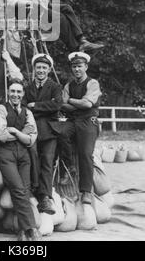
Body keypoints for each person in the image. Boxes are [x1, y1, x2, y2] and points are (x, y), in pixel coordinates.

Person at [0, 79, 41, 241]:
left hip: (23, 154)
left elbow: (31, 140)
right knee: (19, 189)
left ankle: (21, 231)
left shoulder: (28, 112)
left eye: (18, 92)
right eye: (12, 91)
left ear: (23, 94)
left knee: (25, 190)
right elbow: (0, 135)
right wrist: (23, 134)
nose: (15, 95)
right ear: (8, 93)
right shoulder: (1, 109)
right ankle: (31, 229)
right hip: (4, 153)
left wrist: (13, 131)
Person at [24, 53, 64, 214]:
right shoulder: (28, 87)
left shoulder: (55, 87)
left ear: (49, 69)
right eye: (38, 67)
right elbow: (24, 106)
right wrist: (43, 107)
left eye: (44, 68)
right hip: (32, 131)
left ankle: (45, 197)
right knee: (32, 160)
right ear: (34, 69)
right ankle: (33, 190)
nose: (41, 70)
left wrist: (35, 106)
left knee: (48, 161)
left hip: (49, 131)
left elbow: (57, 106)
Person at [61, 51, 102, 204]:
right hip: (72, 121)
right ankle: (69, 166)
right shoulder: (68, 85)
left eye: (79, 66)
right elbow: (62, 105)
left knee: (85, 154)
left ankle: (86, 191)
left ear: (86, 67)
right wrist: (76, 104)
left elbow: (87, 104)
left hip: (87, 121)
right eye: (74, 66)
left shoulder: (92, 83)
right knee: (61, 133)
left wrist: (71, 100)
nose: (76, 69)